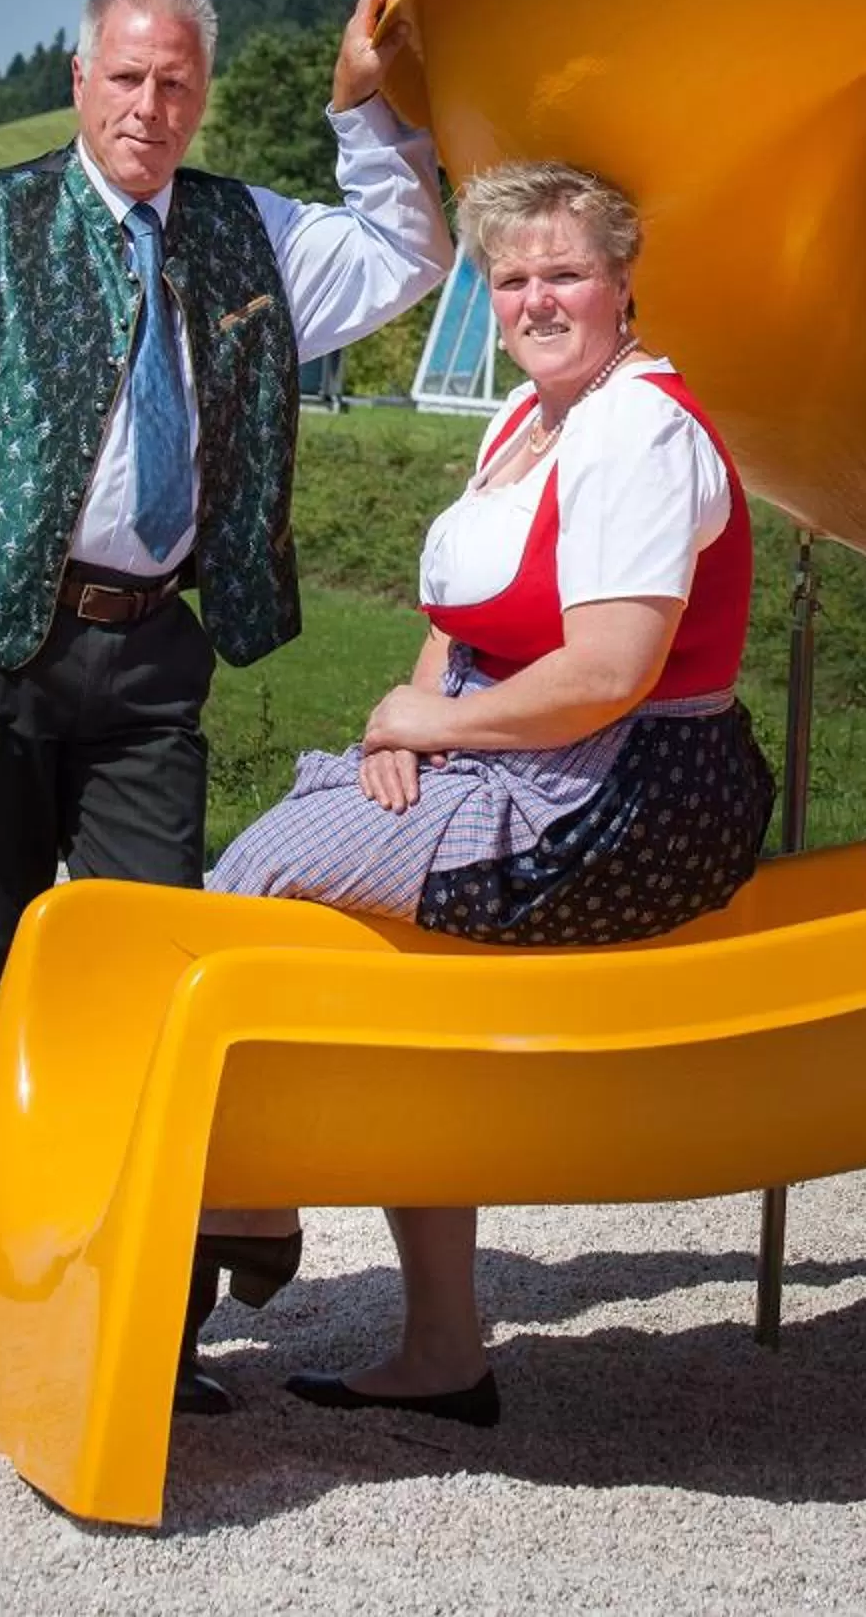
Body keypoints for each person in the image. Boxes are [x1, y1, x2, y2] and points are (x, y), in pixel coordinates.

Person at [0, 0, 453, 1253]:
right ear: (79, 81)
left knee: (154, 963)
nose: (149, 104)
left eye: (175, 81)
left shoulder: (253, 232)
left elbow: (409, 256)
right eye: (126, 77)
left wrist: (360, 110)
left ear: (202, 95)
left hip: (153, 655)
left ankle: (140, 1292)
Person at [200, 157, 775, 1424]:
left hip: (627, 797)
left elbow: (613, 672)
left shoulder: (637, 427)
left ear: (625, 284)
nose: (536, 299)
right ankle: (443, 1348)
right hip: (537, 751)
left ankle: (247, 1187)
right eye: (512, 278)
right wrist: (413, 721)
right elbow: (459, 616)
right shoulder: (530, 420)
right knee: (352, 912)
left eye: (565, 271)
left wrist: (440, 722)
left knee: (256, 879)